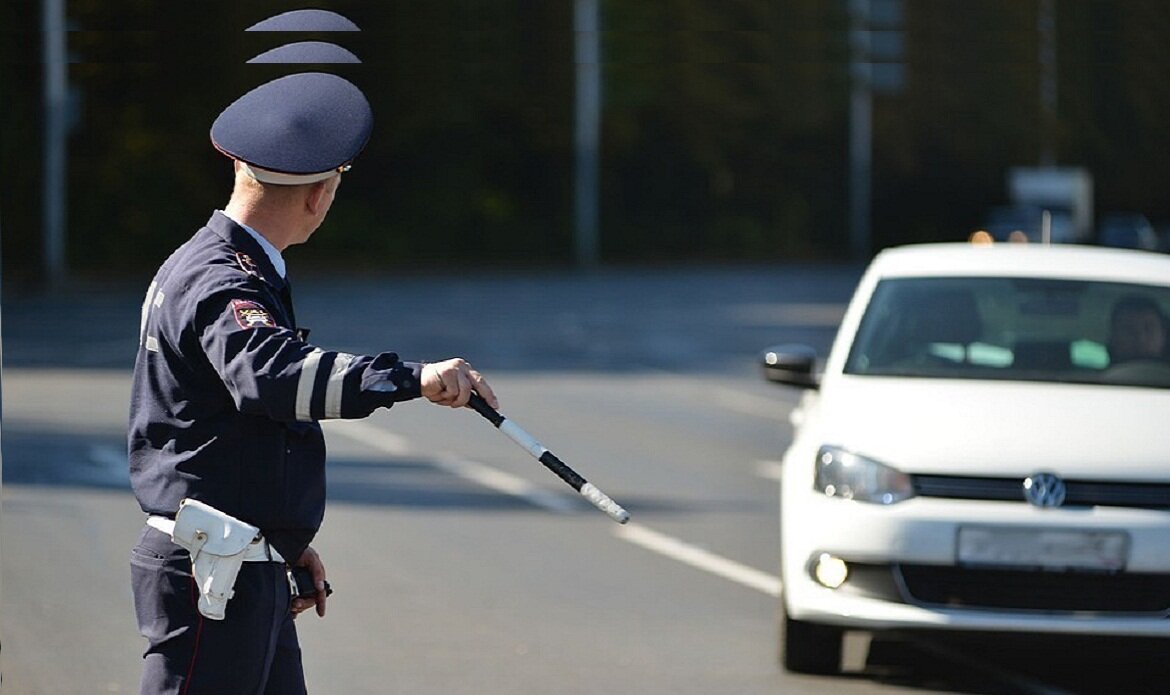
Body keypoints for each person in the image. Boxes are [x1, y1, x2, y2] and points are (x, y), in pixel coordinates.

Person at [128, 72, 498, 694]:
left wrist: (278, 536)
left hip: (242, 560)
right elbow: (274, 381)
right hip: (214, 572)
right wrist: (413, 379)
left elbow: (233, 422)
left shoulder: (215, 263)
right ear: (319, 197)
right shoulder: (227, 282)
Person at [1108, 294, 1169, 364]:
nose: (1140, 338)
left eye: (1149, 329)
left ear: (1163, 335)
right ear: (1114, 337)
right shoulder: (1097, 375)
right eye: (1129, 329)